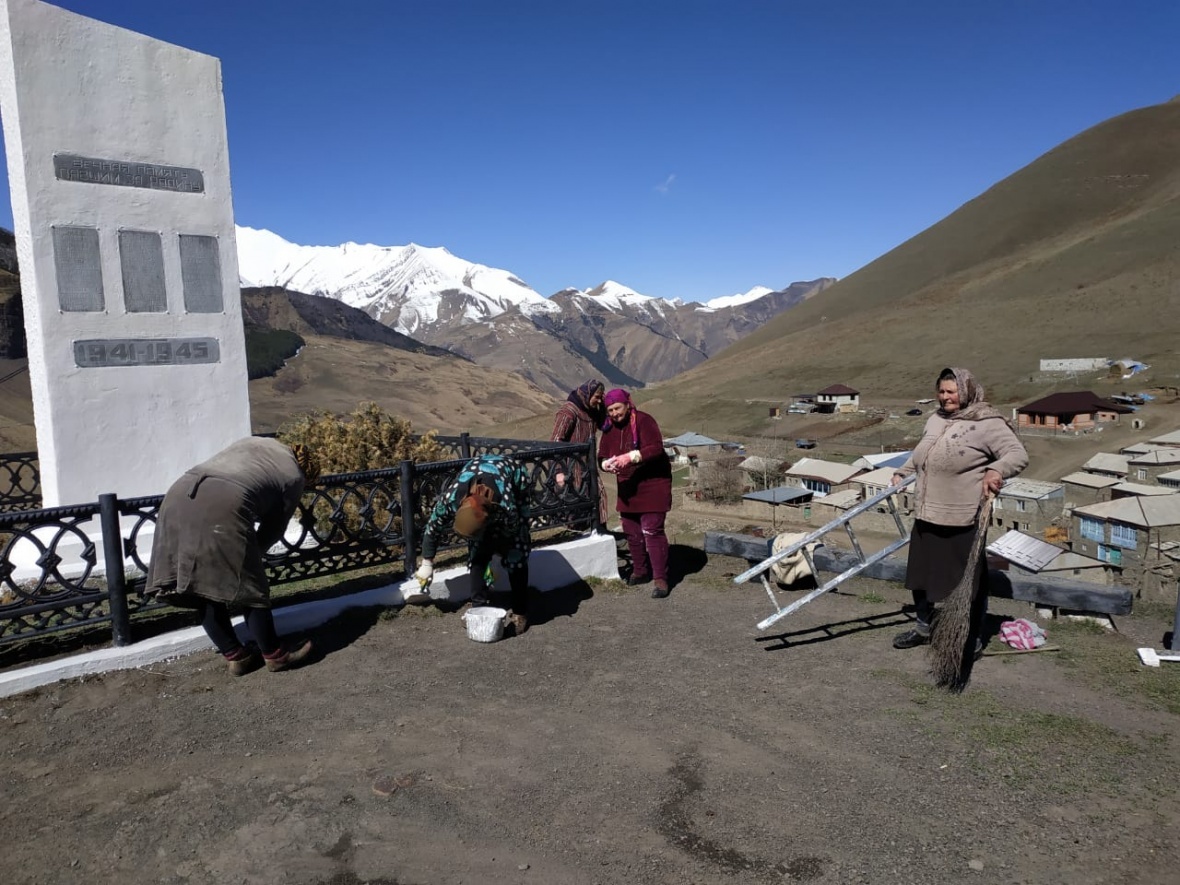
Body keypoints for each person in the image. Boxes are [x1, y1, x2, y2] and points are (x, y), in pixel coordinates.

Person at [145, 437, 320, 676]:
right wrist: (250, 559)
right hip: (223, 501)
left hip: (178, 494)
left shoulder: (255, 442)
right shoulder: (294, 476)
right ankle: (275, 655)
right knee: (251, 587)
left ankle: (236, 656)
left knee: (199, 583)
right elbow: (275, 526)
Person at [890, 367, 1028, 654]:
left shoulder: (987, 422)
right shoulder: (935, 419)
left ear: (965, 391)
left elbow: (1017, 455)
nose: (945, 397)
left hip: (962, 517)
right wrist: (902, 472)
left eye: (951, 392)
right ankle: (923, 627)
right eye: (941, 391)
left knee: (967, 583)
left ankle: (971, 637)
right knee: (922, 576)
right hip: (927, 512)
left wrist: (995, 470)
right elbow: (923, 455)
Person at [415, 454, 532, 634]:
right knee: (477, 553)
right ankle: (478, 609)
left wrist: (497, 556)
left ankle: (520, 612)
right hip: (476, 469)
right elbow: (433, 526)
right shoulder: (451, 499)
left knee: (516, 554)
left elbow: (512, 529)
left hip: (514, 476)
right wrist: (427, 562)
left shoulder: (506, 506)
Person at [597, 389, 674, 598]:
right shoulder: (609, 429)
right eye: (610, 410)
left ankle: (660, 579)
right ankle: (640, 571)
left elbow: (656, 448)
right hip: (628, 486)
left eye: (617, 408)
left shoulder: (644, 421)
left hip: (653, 484)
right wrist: (606, 464)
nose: (614, 413)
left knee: (652, 531)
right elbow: (601, 455)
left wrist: (631, 457)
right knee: (631, 530)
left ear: (627, 405)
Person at [550, 378, 608, 527]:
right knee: (576, 504)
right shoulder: (569, 412)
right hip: (571, 468)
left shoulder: (591, 411)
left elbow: (605, 424)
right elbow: (556, 441)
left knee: (599, 497)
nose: (599, 401)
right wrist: (558, 471)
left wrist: (603, 404)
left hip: (588, 466)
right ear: (587, 394)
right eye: (597, 397)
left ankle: (600, 532)